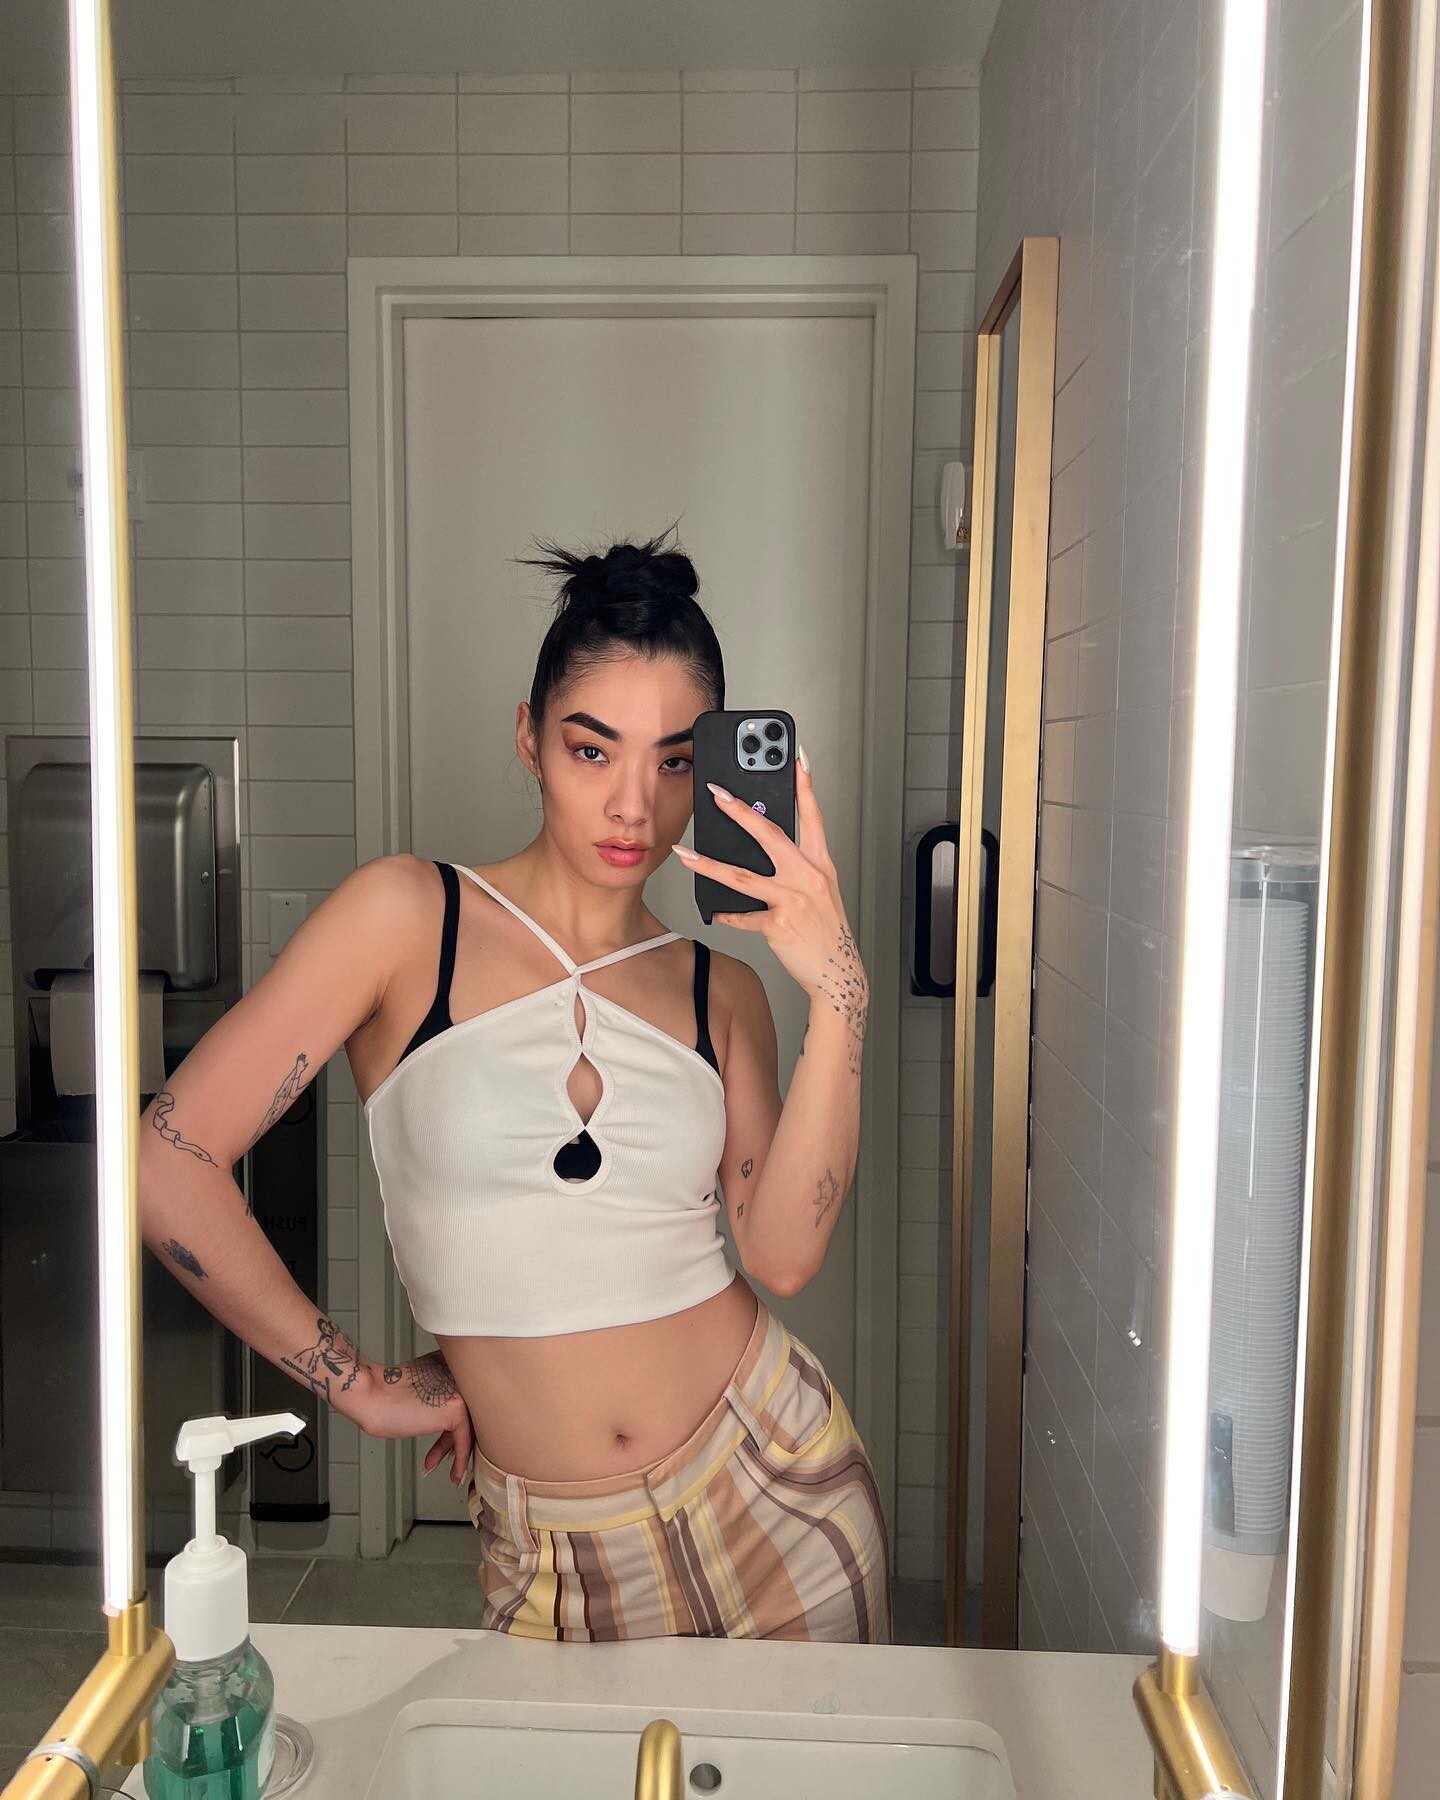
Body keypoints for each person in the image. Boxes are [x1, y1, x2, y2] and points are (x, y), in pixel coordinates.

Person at [139, 528, 890, 1643]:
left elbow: (782, 1254)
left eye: (673, 762)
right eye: (593, 751)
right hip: (553, 1556)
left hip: (780, 1489)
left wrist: (839, 991)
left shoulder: (719, 991)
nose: (633, 806)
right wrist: (357, 1386)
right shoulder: (408, 919)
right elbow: (169, 1161)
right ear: (530, 738)